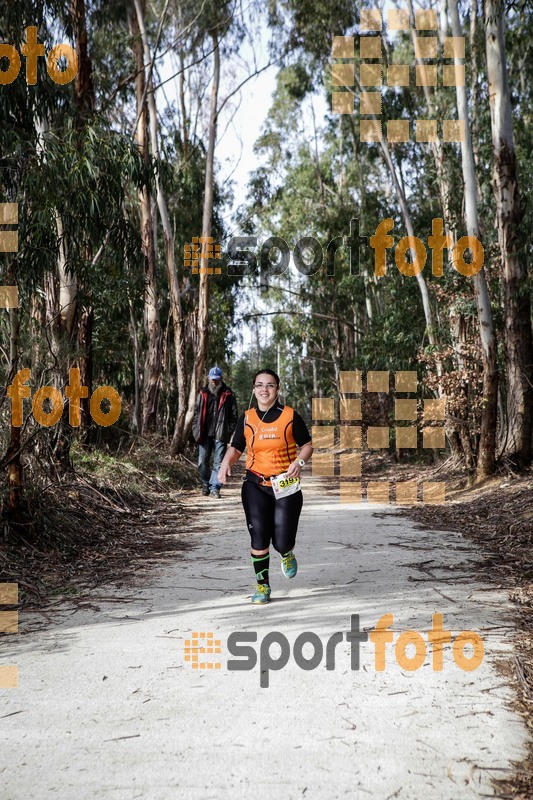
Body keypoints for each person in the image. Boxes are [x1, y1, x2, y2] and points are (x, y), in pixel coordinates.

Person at [218, 369, 313, 604]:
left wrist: (299, 462)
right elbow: (236, 447)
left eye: (270, 385)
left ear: (277, 389)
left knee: (281, 541)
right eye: (259, 385)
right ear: (253, 389)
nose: (264, 389)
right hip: (255, 483)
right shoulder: (247, 417)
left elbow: (307, 445)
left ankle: (287, 552)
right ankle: (263, 587)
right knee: (259, 537)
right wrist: (224, 464)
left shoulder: (290, 415)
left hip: (286, 484)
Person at [192, 366, 238, 499]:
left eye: (217, 380)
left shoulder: (228, 394)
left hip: (220, 435)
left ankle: (215, 488)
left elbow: (234, 415)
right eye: (212, 380)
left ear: (221, 379)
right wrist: (196, 430)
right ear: (208, 379)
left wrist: (229, 431)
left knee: (219, 463)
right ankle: (205, 484)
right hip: (204, 434)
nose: (214, 382)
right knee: (202, 461)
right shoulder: (203, 393)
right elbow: (196, 413)